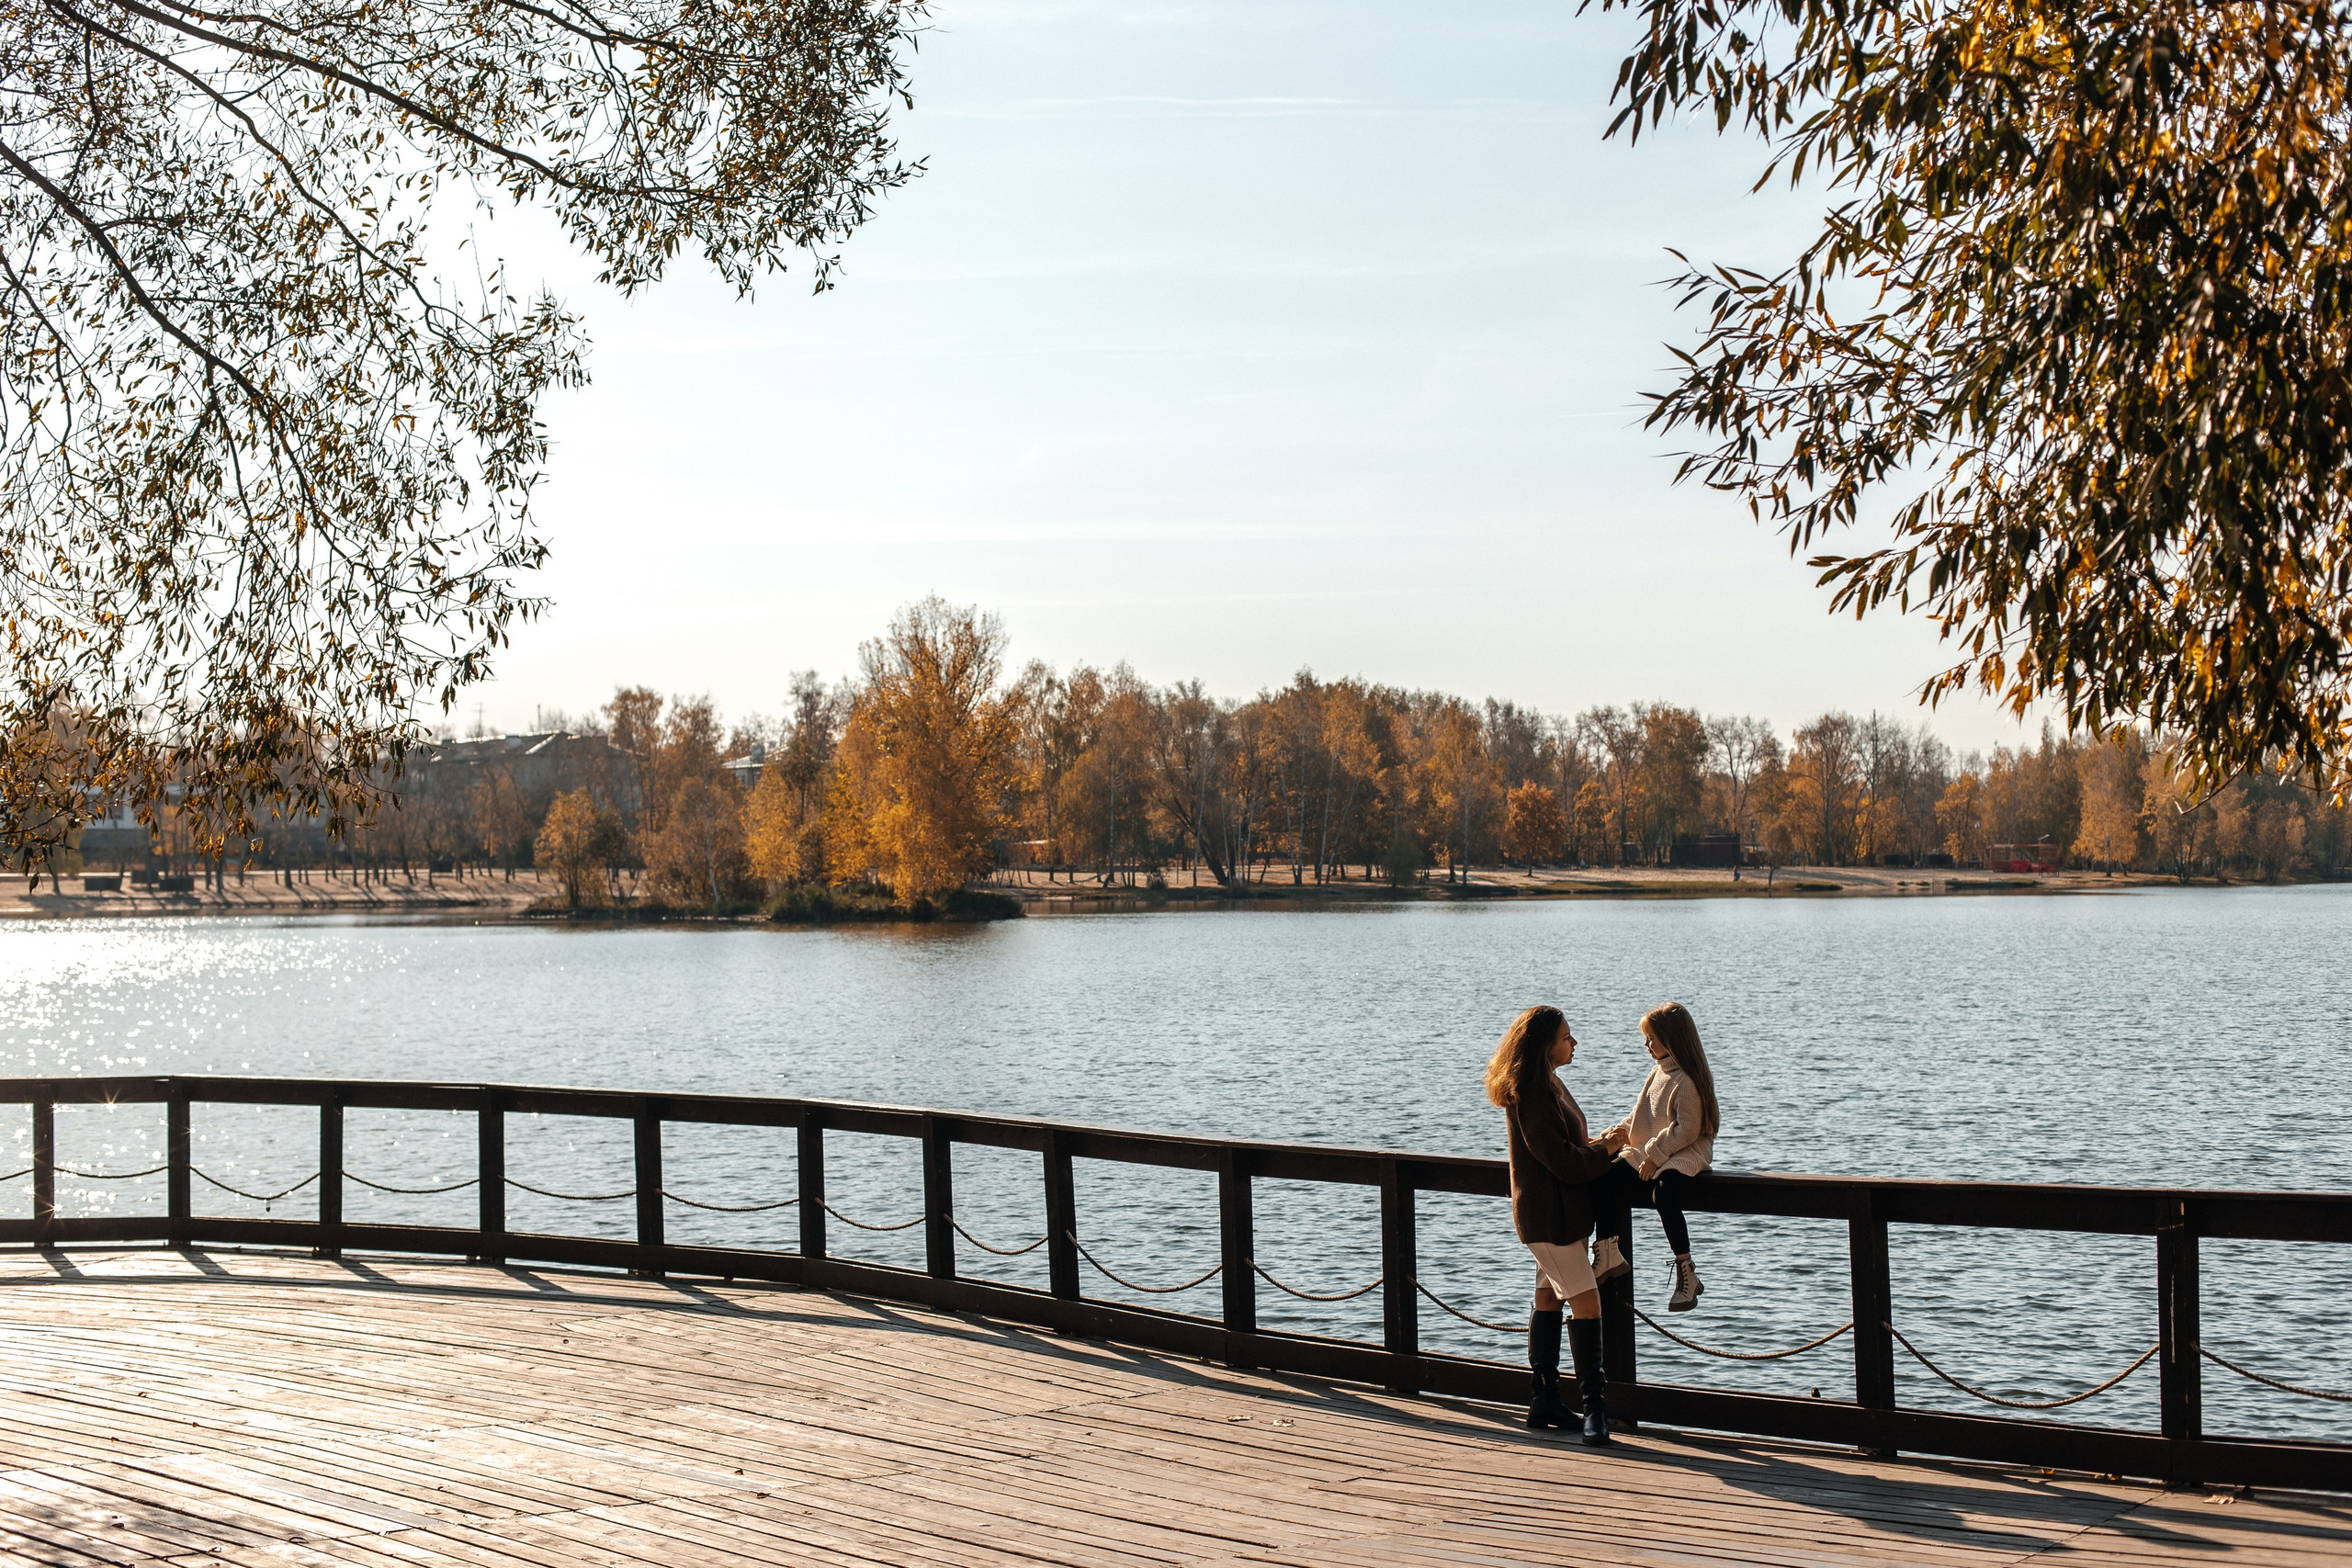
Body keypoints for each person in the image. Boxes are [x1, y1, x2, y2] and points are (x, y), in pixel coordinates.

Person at [1485, 1004, 1620, 1445]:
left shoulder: (1548, 1083)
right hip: (1552, 1217)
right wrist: (1607, 1151)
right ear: (1546, 1044)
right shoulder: (1532, 1090)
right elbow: (1561, 1161)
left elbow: (1564, 1146)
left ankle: (1542, 1400)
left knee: (1548, 1298)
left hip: (1559, 1213)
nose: (1574, 1042)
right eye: (1567, 1036)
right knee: (1588, 1304)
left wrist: (1601, 1143)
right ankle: (1595, 1411)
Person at [1592, 1000, 1721, 1313]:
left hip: (1684, 1154)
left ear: (1672, 1038)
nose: (1646, 1044)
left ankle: (1686, 1269)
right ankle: (1609, 1251)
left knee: (1664, 1194)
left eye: (1651, 1038)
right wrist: (1612, 1136)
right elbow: (1640, 1114)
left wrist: (1655, 1156)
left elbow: (1687, 1130)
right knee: (1605, 1177)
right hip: (1653, 1150)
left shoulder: (1687, 1080)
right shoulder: (1658, 1072)